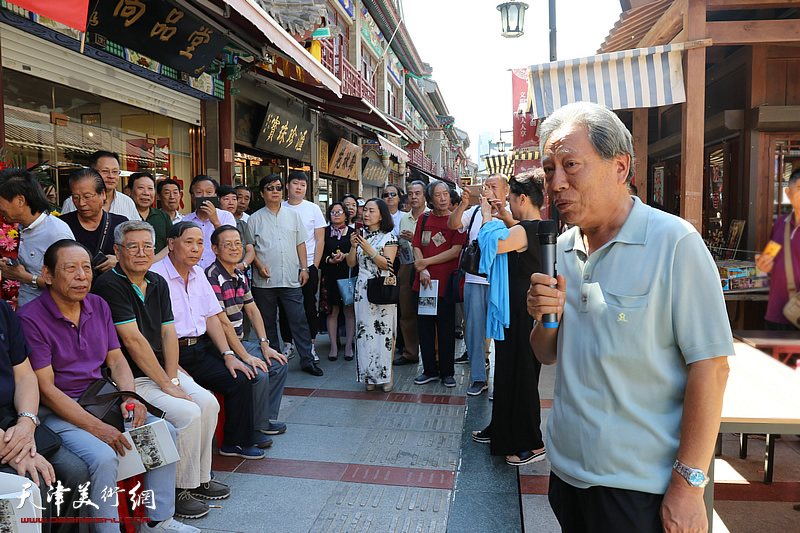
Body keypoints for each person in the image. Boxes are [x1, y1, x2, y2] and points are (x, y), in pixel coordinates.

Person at [527, 102, 732, 532]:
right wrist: (543, 318)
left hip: (640, 489)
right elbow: (546, 354)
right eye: (549, 170)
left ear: (620, 167)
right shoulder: (561, 250)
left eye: (571, 165)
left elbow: (710, 368)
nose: (557, 183)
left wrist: (689, 485)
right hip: (567, 473)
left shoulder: (674, 243)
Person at [19, 239, 196, 533]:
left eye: (86, 268)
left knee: (163, 431)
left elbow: (116, 360)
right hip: (59, 410)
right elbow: (47, 390)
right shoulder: (30, 318)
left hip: (102, 398)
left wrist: (130, 398)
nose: (81, 276)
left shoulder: (97, 304)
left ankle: (158, 520)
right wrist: (95, 428)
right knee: (102, 456)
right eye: (70, 269)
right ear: (48, 275)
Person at [92, 220, 227, 519]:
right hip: (129, 377)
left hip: (161, 373)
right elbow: (133, 340)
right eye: (132, 246)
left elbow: (169, 333)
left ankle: (199, 478)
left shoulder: (157, 281)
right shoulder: (109, 284)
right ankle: (179, 490)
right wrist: (167, 384)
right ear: (117, 250)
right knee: (188, 413)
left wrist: (174, 377)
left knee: (207, 402)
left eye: (147, 247)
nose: (141, 253)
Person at [150, 221, 266, 458]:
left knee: (240, 377)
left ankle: (235, 443)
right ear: (171, 244)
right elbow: (154, 332)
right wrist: (175, 369)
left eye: (200, 243)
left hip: (199, 349)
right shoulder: (155, 277)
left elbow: (213, 318)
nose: (195, 248)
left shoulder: (198, 274)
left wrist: (229, 356)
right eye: (189, 242)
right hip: (168, 356)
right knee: (194, 400)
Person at [471, 174, 546, 466]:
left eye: (511, 200)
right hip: (514, 309)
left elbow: (495, 245)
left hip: (524, 310)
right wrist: (501, 216)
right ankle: (501, 429)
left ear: (522, 199)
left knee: (523, 375)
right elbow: (512, 235)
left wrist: (489, 217)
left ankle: (532, 442)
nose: (509, 206)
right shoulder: (527, 228)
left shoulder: (531, 228)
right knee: (506, 370)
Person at [0, 295, 90, 533]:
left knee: (75, 471)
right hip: (4, 437)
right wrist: (11, 448)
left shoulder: (1, 310)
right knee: (36, 481)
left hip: (12, 419)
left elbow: (25, 376)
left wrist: (27, 422)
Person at [206, 225, 288, 445]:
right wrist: (245, 356)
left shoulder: (240, 274)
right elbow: (222, 323)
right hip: (220, 347)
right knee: (258, 372)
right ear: (215, 248)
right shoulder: (212, 276)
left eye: (238, 244)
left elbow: (252, 309)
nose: (234, 248)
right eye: (227, 244)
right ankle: (253, 428)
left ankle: (265, 420)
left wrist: (264, 344)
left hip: (239, 342)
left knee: (277, 362)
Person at [247, 174, 322, 377]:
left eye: (278, 187)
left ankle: (307, 360)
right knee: (267, 323)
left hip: (290, 279)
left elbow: (301, 244)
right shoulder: (254, 219)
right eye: (270, 188)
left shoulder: (293, 215)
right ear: (262, 193)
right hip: (264, 282)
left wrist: (304, 268)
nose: (275, 191)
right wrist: (259, 264)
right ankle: (274, 360)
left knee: (299, 320)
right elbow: (250, 249)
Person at [448, 174, 516, 395]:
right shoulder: (476, 212)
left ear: (506, 191)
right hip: (475, 279)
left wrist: (496, 214)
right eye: (485, 186)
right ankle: (478, 377)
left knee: (502, 330)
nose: (488, 190)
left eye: (493, 187)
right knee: (475, 331)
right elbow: (453, 224)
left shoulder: (511, 214)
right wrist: (464, 204)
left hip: (501, 281)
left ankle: (503, 381)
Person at [412, 181, 466, 388]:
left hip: (445, 284)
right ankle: (429, 370)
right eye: (438, 195)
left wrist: (426, 262)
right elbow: (416, 245)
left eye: (445, 194)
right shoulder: (424, 218)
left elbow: (455, 251)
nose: (443, 198)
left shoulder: (457, 221)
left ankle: (447, 372)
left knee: (445, 329)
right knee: (425, 328)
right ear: (430, 198)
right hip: (424, 284)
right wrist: (422, 269)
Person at [0, 168, 74, 307]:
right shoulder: (21, 228)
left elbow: (69, 284)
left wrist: (23, 277)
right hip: (27, 311)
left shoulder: (57, 233)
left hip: (49, 316)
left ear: (20, 200)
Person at [346, 198, 398, 391]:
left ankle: (387, 373)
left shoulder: (389, 237)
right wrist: (353, 247)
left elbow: (388, 265)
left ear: (381, 215)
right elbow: (351, 264)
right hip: (362, 290)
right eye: (365, 210)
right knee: (364, 333)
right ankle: (369, 375)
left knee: (384, 332)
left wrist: (368, 248)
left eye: (371, 211)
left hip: (382, 288)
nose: (366, 214)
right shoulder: (360, 235)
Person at [278, 171, 326, 361]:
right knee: (284, 307)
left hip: (308, 266)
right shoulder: (279, 207)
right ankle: (288, 344)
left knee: (308, 306)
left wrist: (313, 266)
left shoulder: (313, 208)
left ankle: (310, 346)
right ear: (287, 186)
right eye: (295, 183)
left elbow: (320, 240)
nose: (299, 187)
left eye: (303, 184)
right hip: (285, 266)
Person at [60, 168, 128, 278]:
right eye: (76, 197)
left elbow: (134, 257)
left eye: (87, 197)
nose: (81, 203)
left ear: (103, 194)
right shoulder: (63, 225)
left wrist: (119, 261)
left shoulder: (121, 224)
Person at [756, 167, 800, 331]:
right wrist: (763, 267)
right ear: (788, 193)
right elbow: (770, 263)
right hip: (776, 312)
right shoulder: (781, 223)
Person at [393, 180, 428, 366]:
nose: (413, 197)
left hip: (427, 267)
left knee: (430, 312)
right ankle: (410, 353)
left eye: (417, 193)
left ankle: (434, 356)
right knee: (406, 311)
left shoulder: (431, 215)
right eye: (411, 193)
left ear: (424, 196)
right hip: (406, 266)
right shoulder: (404, 218)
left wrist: (414, 238)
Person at [319, 202, 355, 361]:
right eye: (333, 212)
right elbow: (318, 254)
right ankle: (334, 345)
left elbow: (360, 254)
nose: (336, 214)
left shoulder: (353, 233)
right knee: (332, 311)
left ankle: (348, 345)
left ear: (346, 215)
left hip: (348, 275)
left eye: (340, 212)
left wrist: (346, 256)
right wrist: (329, 259)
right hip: (330, 275)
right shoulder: (324, 233)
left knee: (349, 310)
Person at [61, 150, 139, 220]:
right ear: (92, 172)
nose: (111, 176)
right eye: (105, 171)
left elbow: (138, 231)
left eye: (115, 171)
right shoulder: (72, 202)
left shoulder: (127, 202)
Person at [183, 176, 236, 270]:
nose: (204, 196)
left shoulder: (226, 216)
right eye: (199, 192)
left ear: (215, 195)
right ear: (192, 197)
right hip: (192, 272)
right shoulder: (186, 220)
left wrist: (215, 221)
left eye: (209, 192)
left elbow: (230, 243)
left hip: (220, 272)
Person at [128, 172, 172, 259]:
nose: (146, 193)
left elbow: (171, 244)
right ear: (130, 191)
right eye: (141, 188)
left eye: (150, 188)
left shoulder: (163, 217)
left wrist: (153, 262)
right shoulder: (124, 215)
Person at [218, 185, 255, 272]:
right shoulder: (211, 223)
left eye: (234, 199)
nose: (231, 203)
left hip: (239, 272)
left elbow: (250, 250)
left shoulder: (242, 224)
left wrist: (242, 265)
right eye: (226, 199)